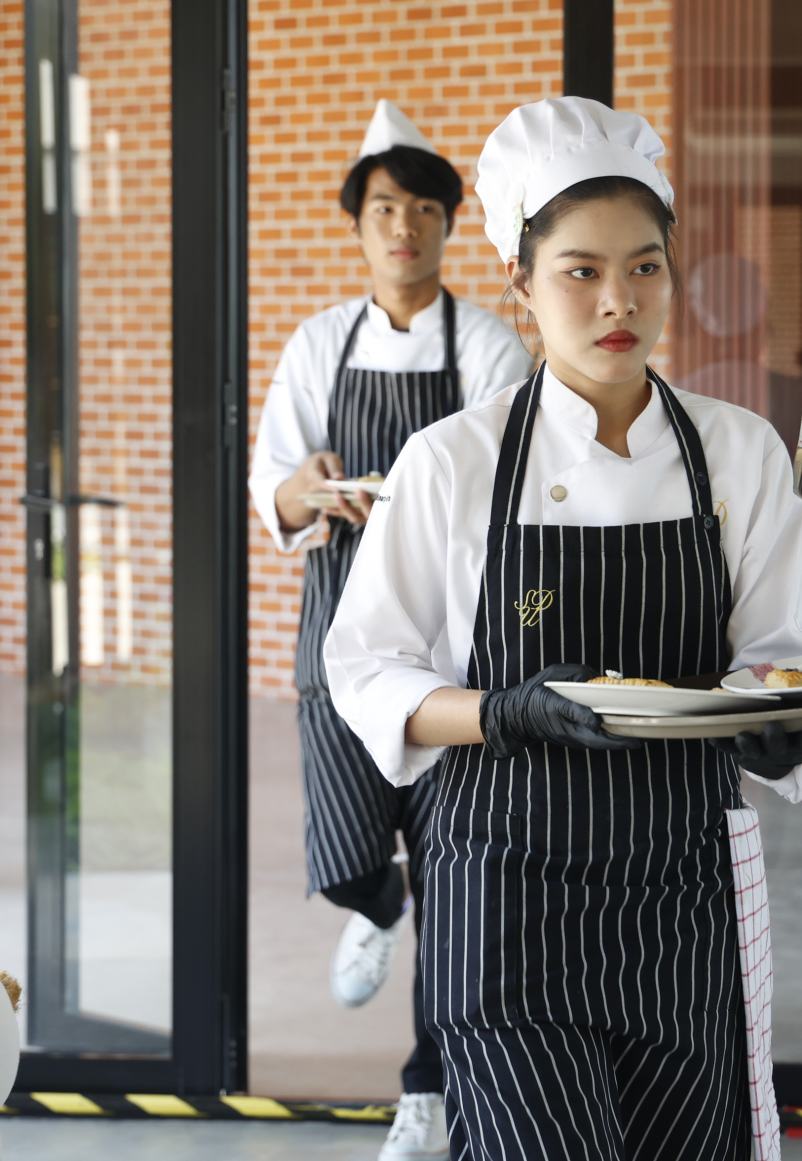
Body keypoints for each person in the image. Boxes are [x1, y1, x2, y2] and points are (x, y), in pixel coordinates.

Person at [323, 97, 802, 1161]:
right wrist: (503, 713)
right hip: (505, 895)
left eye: (645, 267)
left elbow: (779, 658)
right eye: (580, 271)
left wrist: (783, 725)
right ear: (520, 282)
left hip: (680, 899)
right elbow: (365, 667)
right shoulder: (452, 462)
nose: (618, 301)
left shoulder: (740, 454)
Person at [249, 99, 530, 1159]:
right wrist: (312, 487)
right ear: (358, 224)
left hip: (456, 645)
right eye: (382, 209)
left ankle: (427, 1091)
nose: (402, 227)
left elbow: (511, 486)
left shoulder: (490, 346)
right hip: (341, 631)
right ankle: (373, 901)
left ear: (449, 224)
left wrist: (411, 505)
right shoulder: (320, 343)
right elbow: (274, 487)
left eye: (421, 209)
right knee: (341, 852)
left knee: (456, 886)